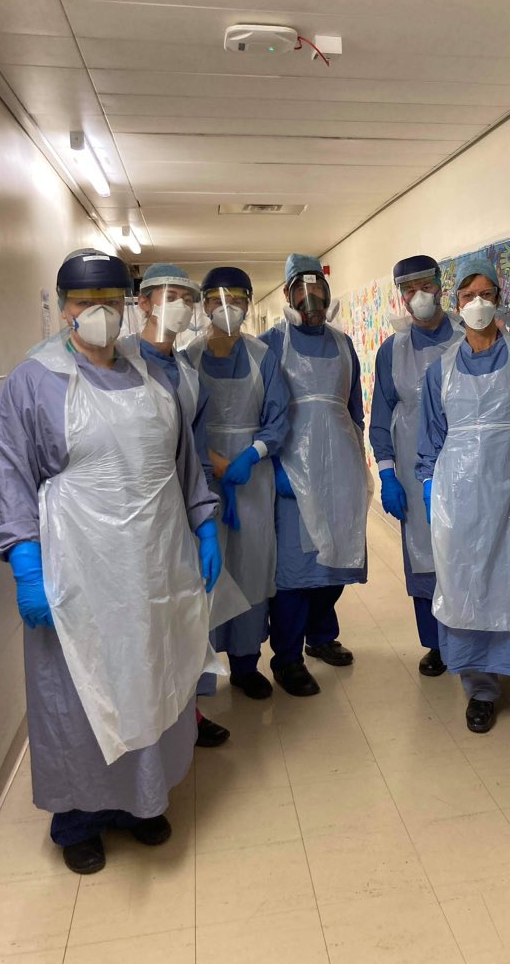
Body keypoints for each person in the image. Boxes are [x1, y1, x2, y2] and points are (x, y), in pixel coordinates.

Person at [0, 249, 221, 874]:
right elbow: (9, 478)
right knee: (81, 691)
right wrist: (26, 566)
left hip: (152, 566)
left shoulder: (152, 375)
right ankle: (78, 819)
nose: (99, 315)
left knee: (150, 674)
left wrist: (203, 522)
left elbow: (184, 462)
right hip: (78, 570)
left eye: (111, 304)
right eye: (86, 304)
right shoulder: (33, 381)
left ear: (128, 307)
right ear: (63, 307)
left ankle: (138, 803)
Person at [416, 256, 510, 733]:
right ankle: (480, 687)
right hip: (459, 502)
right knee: (466, 588)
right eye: (468, 295)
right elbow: (431, 441)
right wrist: (433, 490)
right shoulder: (441, 370)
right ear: (455, 304)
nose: (478, 303)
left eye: (486, 294)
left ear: (500, 299)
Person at [260, 254, 368, 696]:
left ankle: (321, 638)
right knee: (295, 572)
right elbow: (260, 413)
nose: (311, 301)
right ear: (287, 294)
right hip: (291, 472)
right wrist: (273, 468)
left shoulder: (344, 345)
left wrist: (358, 462)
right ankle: (286, 658)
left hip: (339, 470)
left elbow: (354, 409)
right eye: (301, 292)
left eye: (318, 291)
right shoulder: (270, 344)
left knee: (336, 562)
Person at [137, 262, 232, 749]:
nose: (180, 306)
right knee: (150, 623)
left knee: (188, 615)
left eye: (187, 298)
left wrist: (205, 518)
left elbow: (193, 446)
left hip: (185, 506)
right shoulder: (126, 364)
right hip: (140, 515)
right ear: (143, 303)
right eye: (169, 295)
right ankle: (154, 726)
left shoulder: (188, 370)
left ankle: (188, 716)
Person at [185, 267, 290, 702]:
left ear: (249, 302)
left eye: (236, 298)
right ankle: (202, 676)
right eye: (216, 298)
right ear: (204, 304)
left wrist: (252, 456)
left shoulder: (264, 355)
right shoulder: (186, 358)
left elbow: (279, 418)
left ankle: (247, 664)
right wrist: (218, 464)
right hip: (202, 478)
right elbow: (180, 424)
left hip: (252, 479)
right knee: (205, 575)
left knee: (250, 570)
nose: (226, 307)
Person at [371, 254, 462, 676]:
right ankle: (436, 646)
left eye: (426, 285)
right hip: (411, 466)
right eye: (409, 290)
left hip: (466, 462)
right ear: (401, 297)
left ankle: (470, 638)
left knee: (466, 551)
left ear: (441, 285)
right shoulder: (393, 350)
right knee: (423, 555)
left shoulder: (469, 336)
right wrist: (388, 475)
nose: (418, 296)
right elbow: (380, 416)